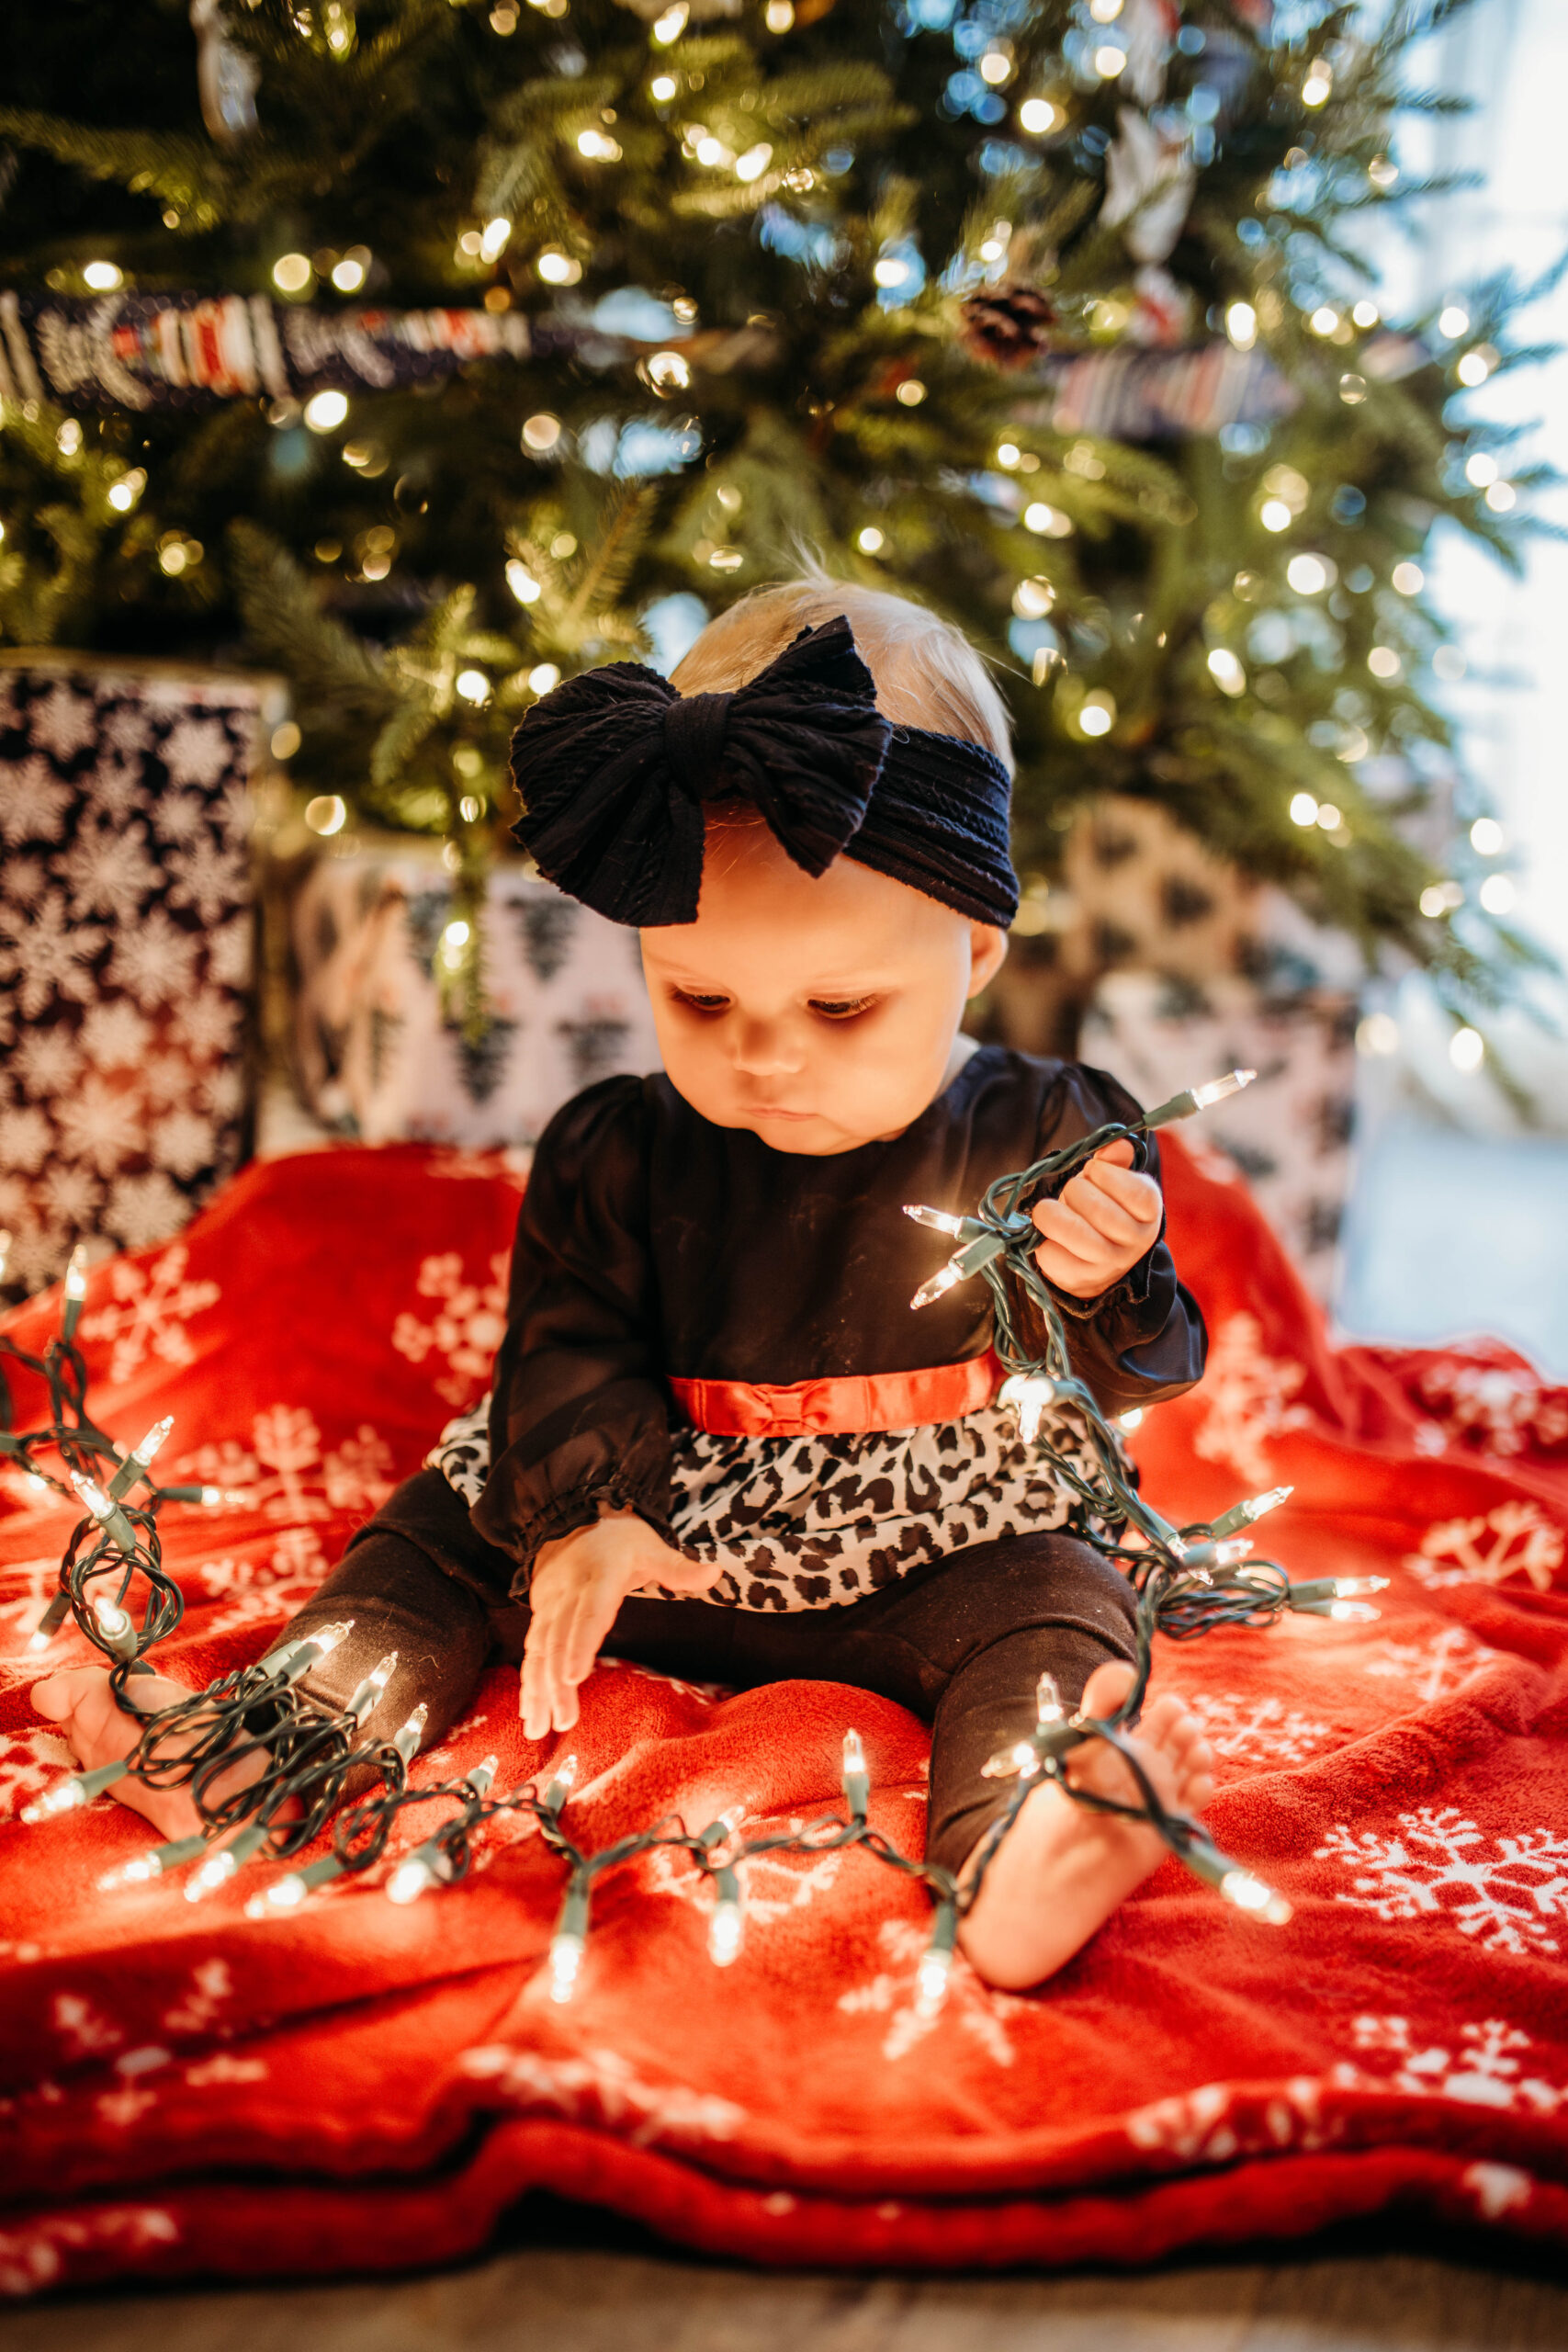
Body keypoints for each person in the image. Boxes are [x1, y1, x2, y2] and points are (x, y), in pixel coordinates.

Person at [34, 577, 1215, 1991]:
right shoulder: (617, 1146)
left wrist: (1110, 1281)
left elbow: (1143, 1371)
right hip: (652, 1526)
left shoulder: (1051, 1130)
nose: (763, 1054)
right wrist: (593, 1513)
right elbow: (569, 1344)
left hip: (932, 1535)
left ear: (972, 953)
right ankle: (274, 1744)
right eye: (699, 998)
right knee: (436, 1535)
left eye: (840, 1007)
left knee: (1063, 1596)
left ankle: (1028, 1836)